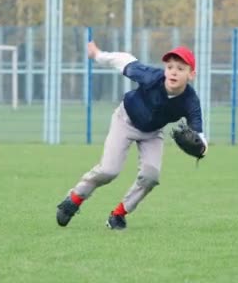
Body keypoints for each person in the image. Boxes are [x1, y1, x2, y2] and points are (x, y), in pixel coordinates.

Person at [55, 41, 208, 230]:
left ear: (191, 75)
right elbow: (123, 60)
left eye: (180, 68)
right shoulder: (151, 77)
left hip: (152, 132)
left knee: (151, 176)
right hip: (125, 120)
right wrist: (98, 55)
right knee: (109, 170)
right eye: (169, 67)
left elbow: (199, 133)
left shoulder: (191, 100)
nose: (173, 72)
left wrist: (201, 148)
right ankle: (75, 198)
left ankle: (118, 215)